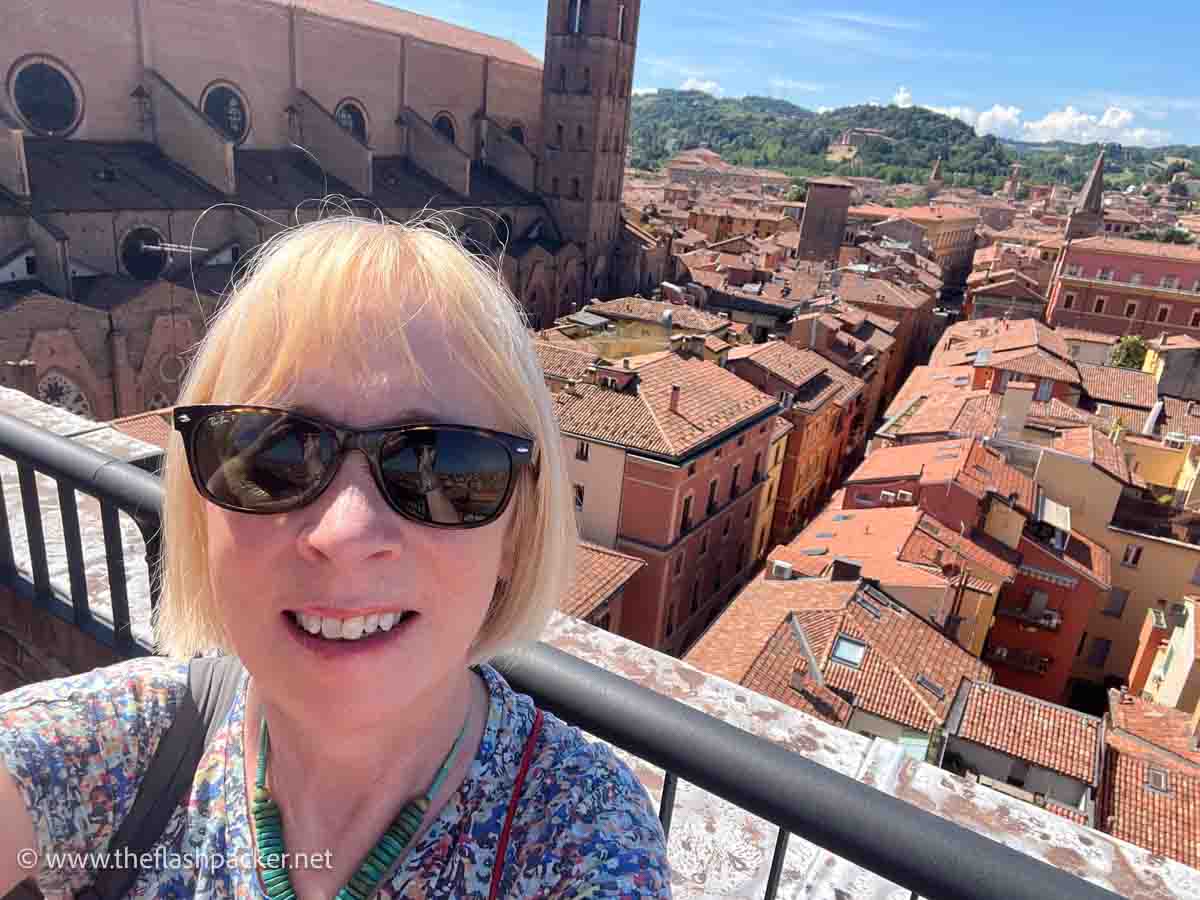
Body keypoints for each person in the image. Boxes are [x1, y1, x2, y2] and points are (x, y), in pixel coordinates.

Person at [0, 215, 672, 898]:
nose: (344, 533)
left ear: (518, 532)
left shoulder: (580, 837)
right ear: (200, 508)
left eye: (437, 464)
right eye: (272, 452)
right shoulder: (114, 750)